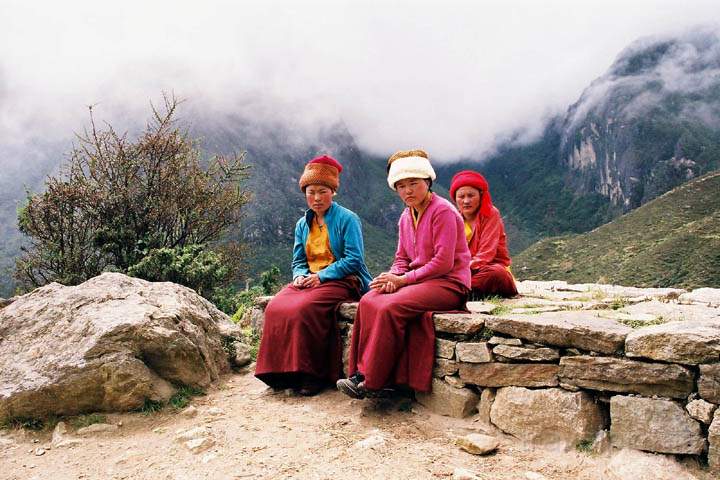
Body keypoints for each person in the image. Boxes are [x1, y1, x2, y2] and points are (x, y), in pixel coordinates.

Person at [337, 149, 470, 399]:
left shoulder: (443, 212)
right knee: (368, 300)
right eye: (401, 186)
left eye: (413, 184)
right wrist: (391, 278)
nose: (407, 191)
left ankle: (375, 381)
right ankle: (358, 374)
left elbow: (443, 263)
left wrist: (402, 281)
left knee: (390, 308)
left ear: (427, 183)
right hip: (419, 282)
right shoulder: (405, 217)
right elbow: (402, 258)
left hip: (448, 283)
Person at [255, 155, 372, 396]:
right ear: (305, 193)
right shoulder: (302, 224)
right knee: (276, 307)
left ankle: (313, 375)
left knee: (305, 308)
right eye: (311, 192)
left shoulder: (348, 219)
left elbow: (354, 260)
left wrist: (322, 276)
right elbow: (298, 260)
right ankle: (281, 373)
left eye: (322, 191)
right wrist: (299, 275)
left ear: (333, 192)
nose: (316, 198)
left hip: (343, 280)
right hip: (310, 279)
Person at [449, 170, 518, 299]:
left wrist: (461, 270)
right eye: (461, 197)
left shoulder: (490, 214)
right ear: (455, 198)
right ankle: (464, 291)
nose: (466, 201)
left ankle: (459, 292)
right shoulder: (454, 218)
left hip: (486, 269)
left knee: (496, 273)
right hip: (464, 272)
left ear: (480, 195)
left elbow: (487, 254)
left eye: (471, 195)